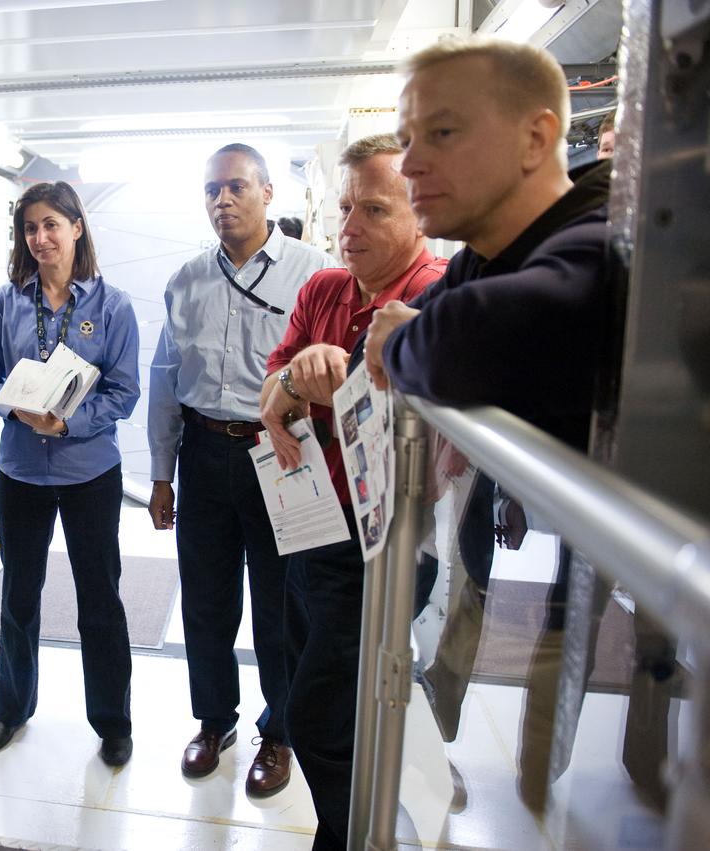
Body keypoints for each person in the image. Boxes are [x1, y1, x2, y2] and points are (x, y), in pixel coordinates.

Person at [361, 36, 614, 809]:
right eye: (406, 140)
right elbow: (442, 327)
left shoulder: (604, 240)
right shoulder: (486, 254)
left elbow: (467, 341)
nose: (409, 165)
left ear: (537, 138)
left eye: (442, 132)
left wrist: (402, 334)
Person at [258, 133, 446, 849]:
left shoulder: (432, 297)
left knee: (315, 714)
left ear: (419, 213)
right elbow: (267, 393)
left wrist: (307, 395)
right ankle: (345, 834)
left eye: (374, 208)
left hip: (384, 545)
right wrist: (293, 384)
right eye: (346, 207)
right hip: (311, 526)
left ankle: (364, 837)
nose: (350, 227)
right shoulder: (325, 290)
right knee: (333, 707)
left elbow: (427, 413)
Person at [148, 143, 339, 797]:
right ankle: (213, 720)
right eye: (211, 190)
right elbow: (166, 380)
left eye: (235, 187)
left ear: (267, 194)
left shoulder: (315, 274)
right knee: (204, 599)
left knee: (282, 604)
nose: (221, 200)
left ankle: (279, 730)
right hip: (203, 454)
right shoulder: (186, 280)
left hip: (281, 452)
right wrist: (162, 471)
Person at [0, 181, 140, 767]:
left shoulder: (111, 306)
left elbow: (124, 392)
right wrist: (10, 406)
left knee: (100, 597)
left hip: (89, 470)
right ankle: (12, 708)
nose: (41, 238)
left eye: (51, 225)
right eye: (30, 228)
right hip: (20, 472)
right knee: (18, 594)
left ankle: (113, 720)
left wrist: (69, 424)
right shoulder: (7, 303)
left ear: (76, 228)